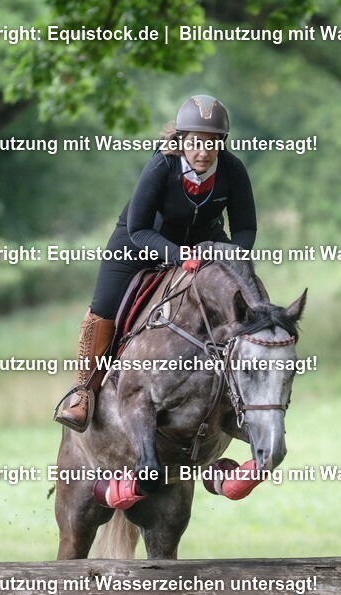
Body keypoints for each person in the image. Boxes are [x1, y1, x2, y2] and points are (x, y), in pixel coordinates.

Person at [54, 94, 257, 432]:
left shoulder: (232, 170)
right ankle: (83, 393)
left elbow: (246, 228)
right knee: (103, 307)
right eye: (195, 142)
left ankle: (249, 388)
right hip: (140, 241)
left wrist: (232, 257)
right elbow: (138, 228)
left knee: (245, 291)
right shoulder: (162, 166)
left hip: (203, 241)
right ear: (181, 140)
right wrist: (179, 256)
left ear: (222, 143)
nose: (203, 152)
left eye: (212, 143)